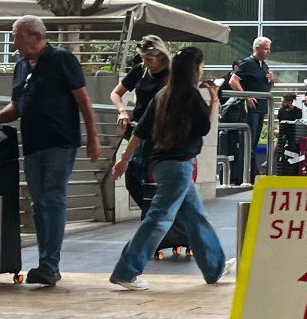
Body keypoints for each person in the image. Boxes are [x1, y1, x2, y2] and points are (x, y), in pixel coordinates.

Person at [0, 15, 102, 287]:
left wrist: (92, 137)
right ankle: (45, 263)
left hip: (61, 140)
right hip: (33, 143)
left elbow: (83, 101)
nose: (13, 41)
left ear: (37, 37)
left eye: (17, 35)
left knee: (53, 197)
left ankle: (50, 264)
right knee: (39, 203)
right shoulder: (21, 66)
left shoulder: (62, 59)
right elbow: (16, 106)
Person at [109, 47, 235, 290]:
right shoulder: (190, 95)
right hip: (179, 167)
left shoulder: (163, 95)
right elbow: (204, 128)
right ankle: (126, 271)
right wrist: (215, 100)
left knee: (195, 218)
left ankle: (214, 268)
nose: (202, 71)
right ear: (194, 69)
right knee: (159, 218)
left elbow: (140, 130)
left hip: (161, 164)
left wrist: (125, 159)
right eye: (201, 67)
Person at [109, 35, 171, 210]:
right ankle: (152, 214)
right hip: (138, 130)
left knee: (152, 182)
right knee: (132, 180)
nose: (146, 63)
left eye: (149, 59)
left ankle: (154, 216)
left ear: (161, 56)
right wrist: (122, 111)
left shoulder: (172, 74)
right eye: (143, 59)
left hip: (159, 136)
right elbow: (115, 93)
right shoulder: (140, 70)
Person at [229, 37, 274, 153]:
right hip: (251, 108)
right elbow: (233, 81)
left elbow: (266, 88)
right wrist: (246, 96)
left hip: (261, 107)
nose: (268, 52)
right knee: (249, 139)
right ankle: (245, 166)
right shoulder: (248, 63)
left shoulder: (264, 65)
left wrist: (272, 80)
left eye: (269, 49)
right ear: (257, 48)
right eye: (266, 49)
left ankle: (250, 165)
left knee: (254, 141)